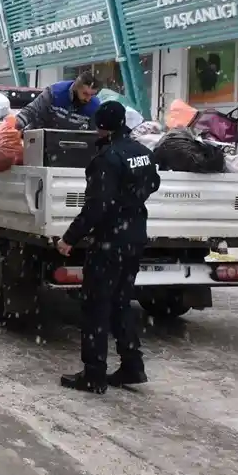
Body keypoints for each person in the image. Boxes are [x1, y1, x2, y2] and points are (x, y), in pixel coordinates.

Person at [56, 101, 160, 394]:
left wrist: (69, 238)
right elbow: (153, 183)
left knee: (95, 307)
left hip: (109, 242)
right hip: (135, 237)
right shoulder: (142, 152)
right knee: (121, 303)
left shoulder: (107, 158)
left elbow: (96, 207)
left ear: (101, 126)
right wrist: (130, 201)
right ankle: (131, 366)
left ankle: (94, 374)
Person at [14, 72, 101, 131]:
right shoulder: (55, 93)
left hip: (70, 147)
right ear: (75, 87)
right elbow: (32, 111)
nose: (88, 99)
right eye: (85, 94)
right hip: (41, 138)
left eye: (92, 95)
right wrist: (13, 127)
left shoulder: (94, 107)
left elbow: (95, 134)